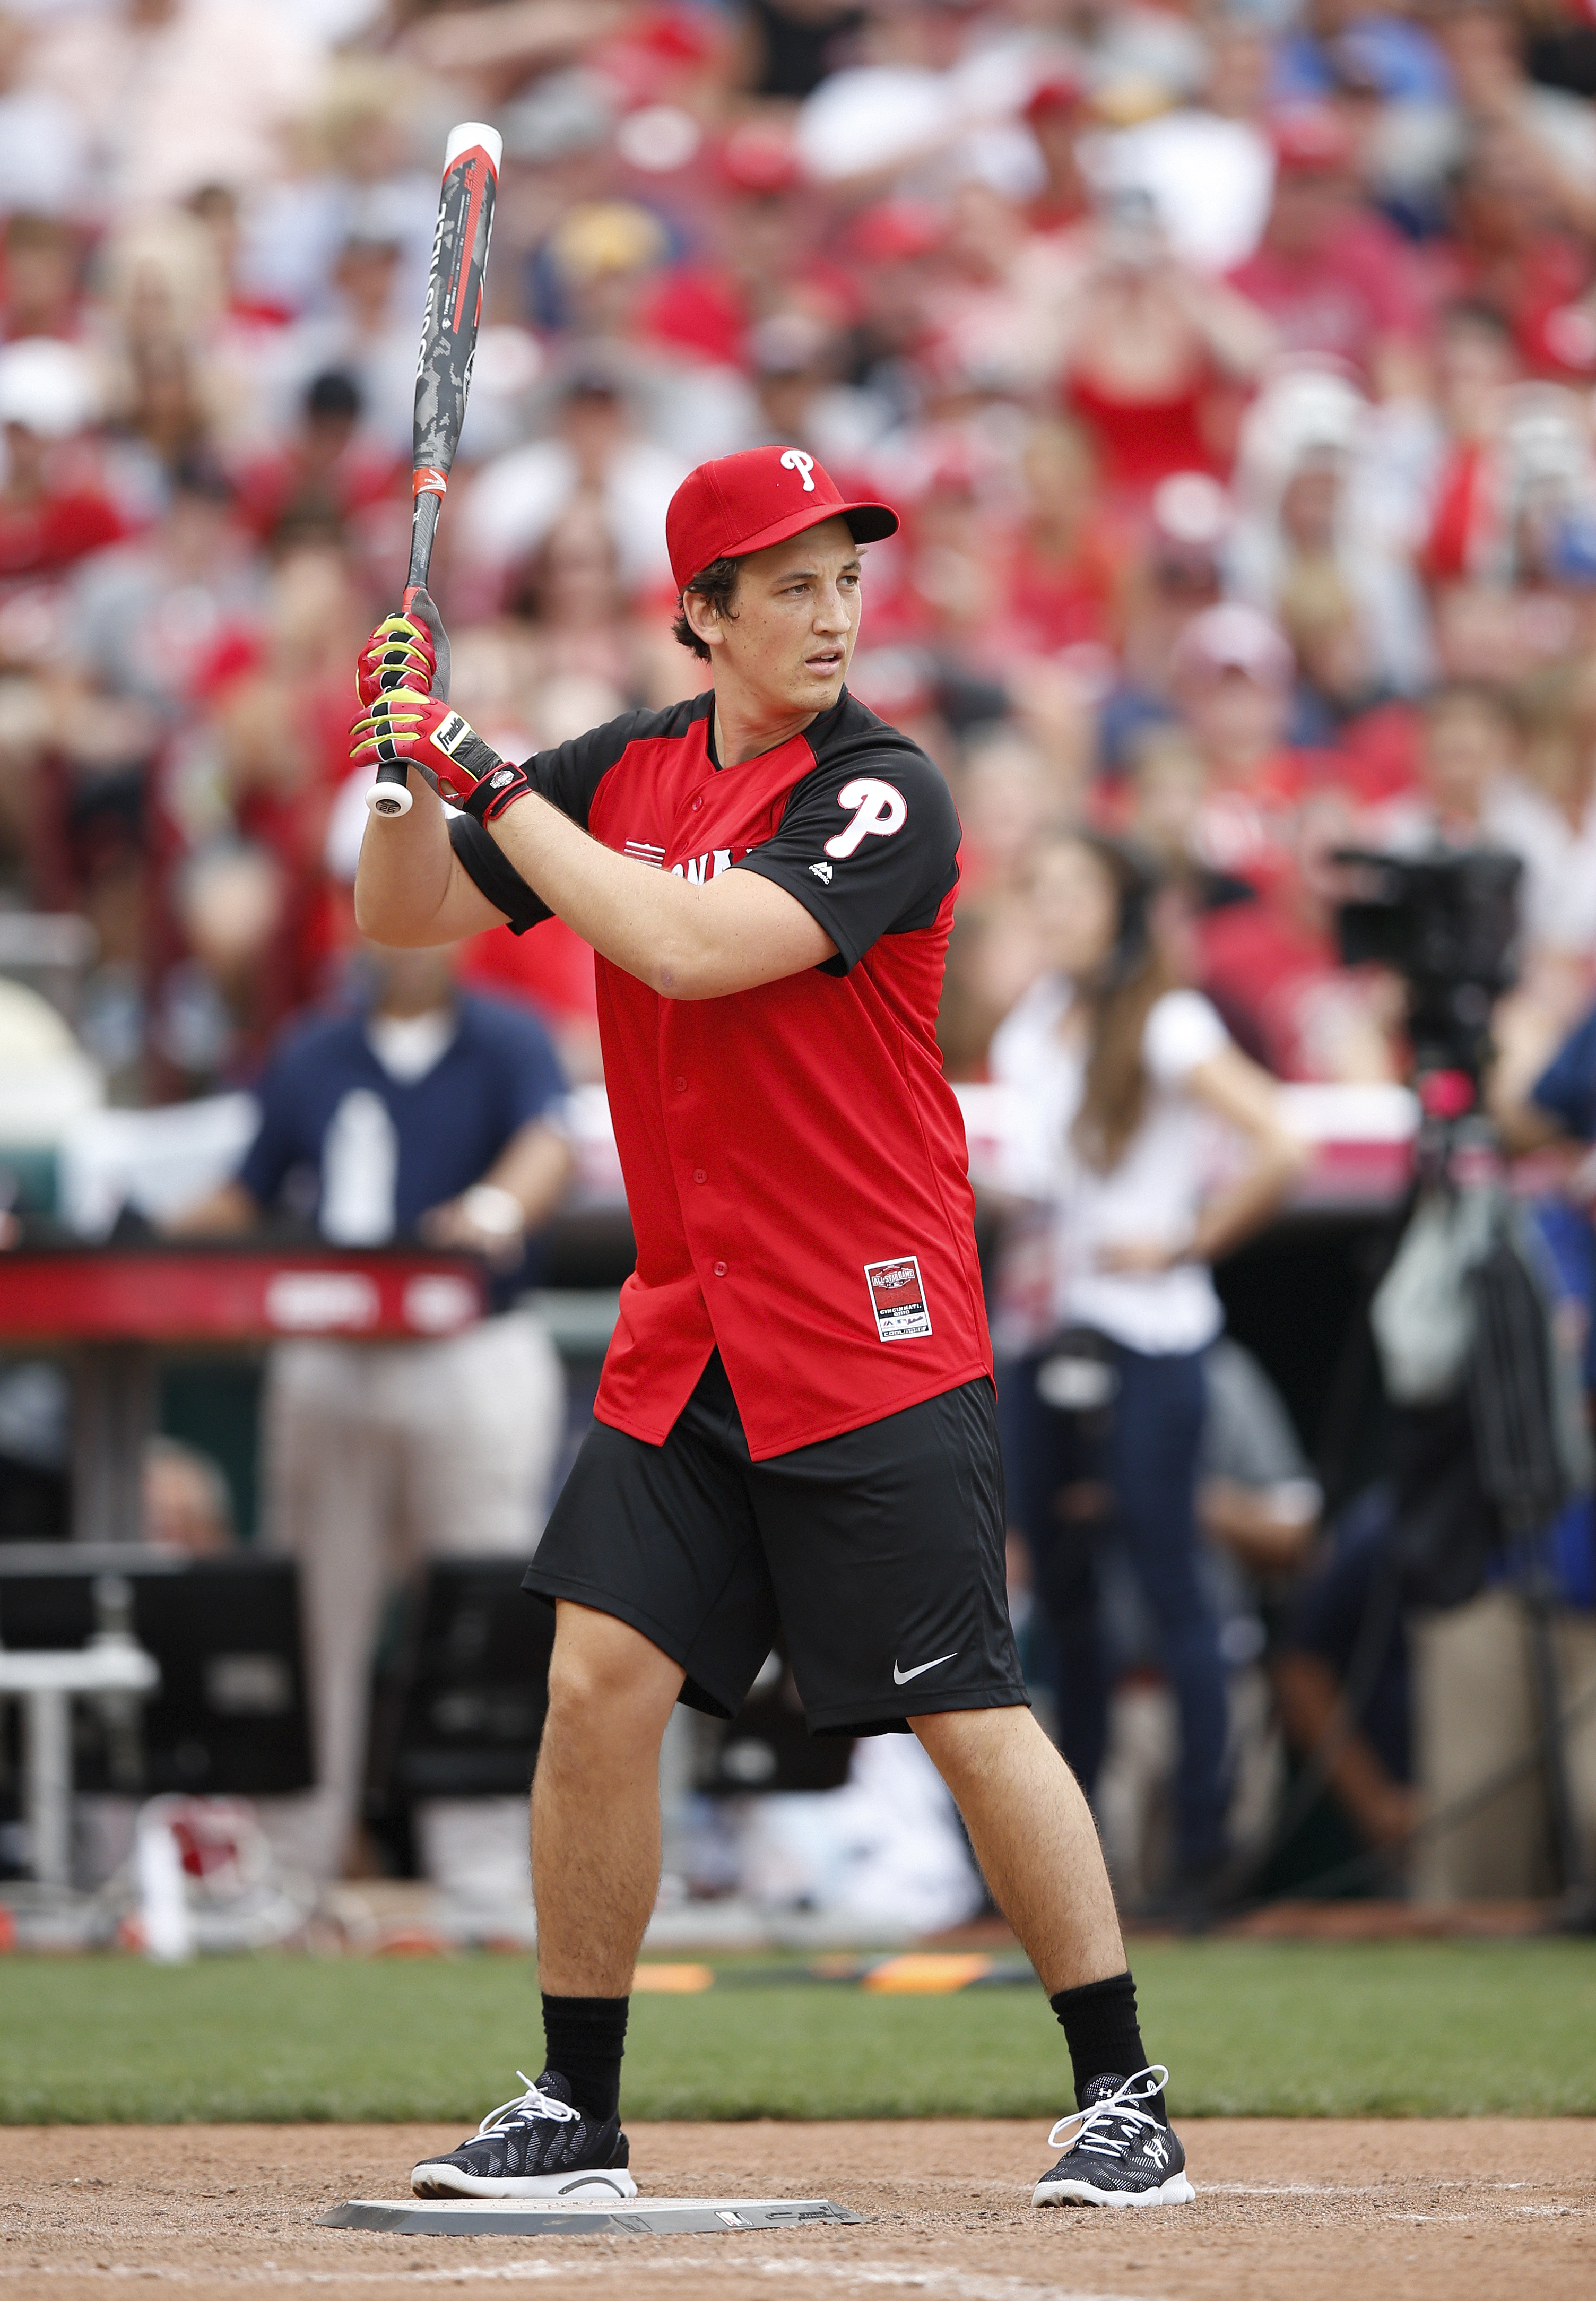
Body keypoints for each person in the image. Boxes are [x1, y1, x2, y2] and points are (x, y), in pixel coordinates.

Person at [350, 444, 1195, 2211]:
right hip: (692, 1323)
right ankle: (575, 2105)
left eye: (843, 577)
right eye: (787, 582)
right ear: (702, 616)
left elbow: (681, 944)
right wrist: (396, 781)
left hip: (865, 1319)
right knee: (594, 1684)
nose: (830, 612)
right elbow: (404, 915)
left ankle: (1119, 2086)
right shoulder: (632, 762)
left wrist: (483, 770)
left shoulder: (887, 790)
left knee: (963, 1709)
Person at [168, 941, 571, 1899]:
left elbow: (546, 1146)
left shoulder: (508, 1037)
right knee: (314, 1614)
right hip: (336, 1345)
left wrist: (493, 1207)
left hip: (470, 1341)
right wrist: (140, 1231)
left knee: (482, 1606)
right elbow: (248, 1188)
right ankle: (291, 1872)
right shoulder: (312, 1048)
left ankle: (485, 1877)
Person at [990, 828, 1305, 1892]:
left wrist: (1181, 1241)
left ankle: (1204, 1853)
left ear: (1120, 904)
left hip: (1146, 1329)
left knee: (1168, 1578)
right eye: (1044, 889)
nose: (1057, 909)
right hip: (1043, 1328)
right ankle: (1077, 1857)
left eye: (1077, 887)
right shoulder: (1034, 1022)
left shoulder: (1166, 1020)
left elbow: (1279, 1143)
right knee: (1065, 1591)